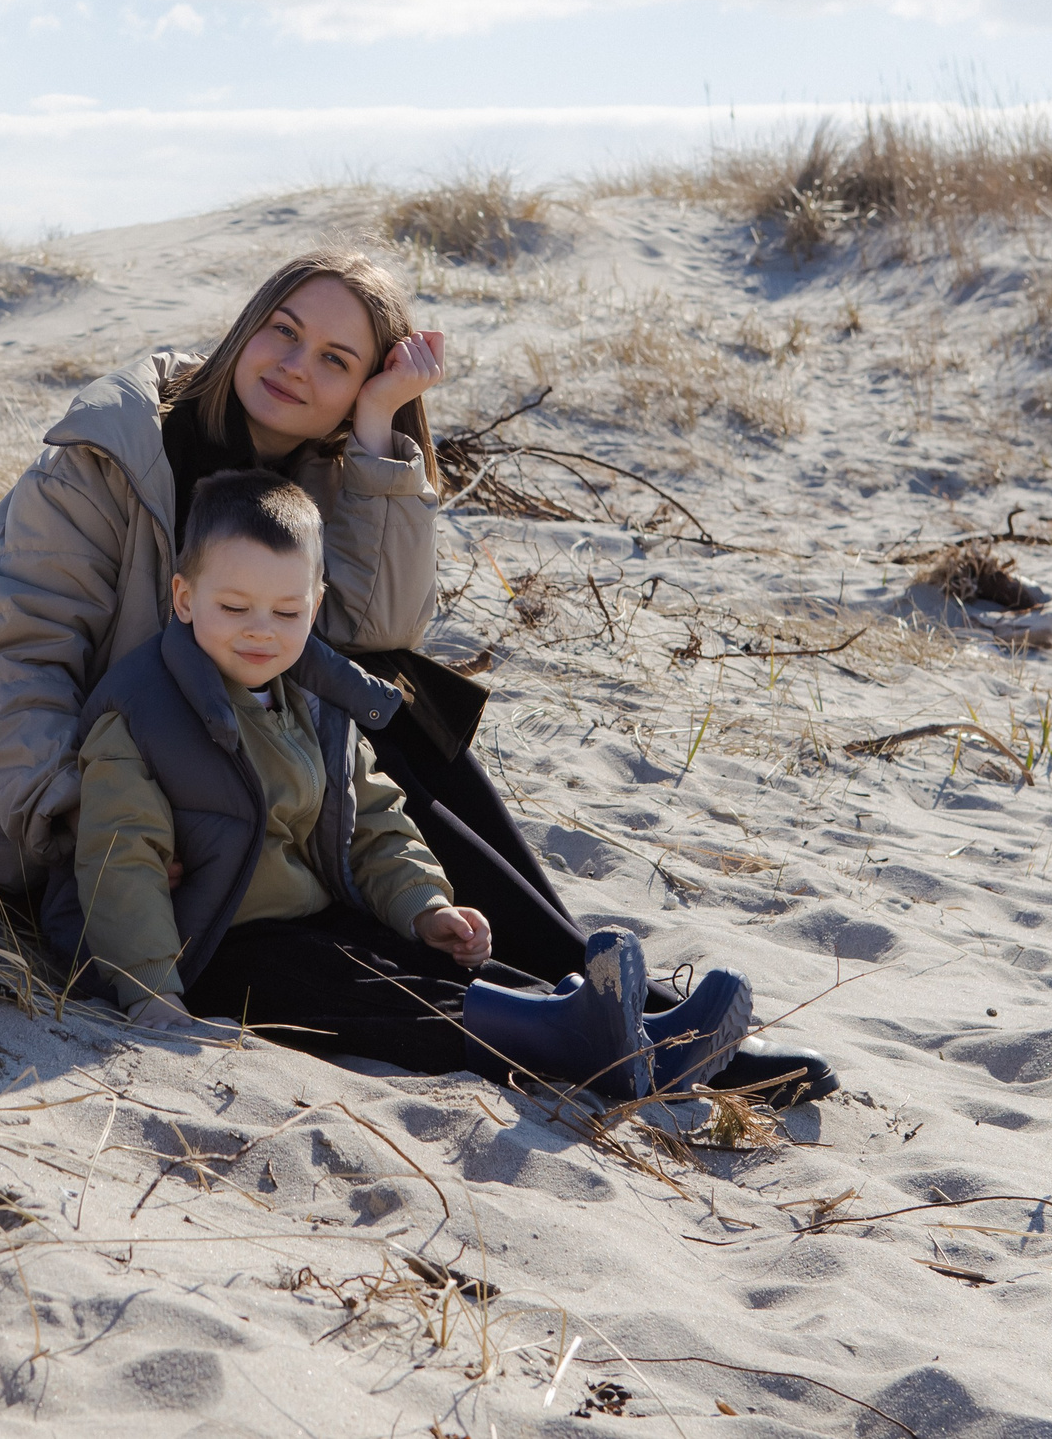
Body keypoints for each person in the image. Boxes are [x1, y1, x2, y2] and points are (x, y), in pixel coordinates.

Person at [0, 248, 835, 1104]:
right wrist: (77, 814)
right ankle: (555, 1025)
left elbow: (374, 635)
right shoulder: (108, 455)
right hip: (38, 813)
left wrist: (378, 438)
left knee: (397, 711)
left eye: (337, 361)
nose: (296, 364)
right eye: (284, 332)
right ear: (247, 327)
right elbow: (11, 652)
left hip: (213, 770)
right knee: (282, 920)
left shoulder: (319, 476)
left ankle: (594, 992)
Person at [45, 469, 752, 1097]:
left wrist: (423, 905)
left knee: (418, 958)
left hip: (312, 915)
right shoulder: (142, 712)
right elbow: (121, 860)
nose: (261, 631)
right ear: (184, 596)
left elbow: (371, 817)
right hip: (211, 949)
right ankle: (575, 1042)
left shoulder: (314, 699)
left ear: (314, 606)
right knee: (364, 993)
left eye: (286, 612)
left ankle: (644, 1036)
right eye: (234, 607)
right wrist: (150, 993)